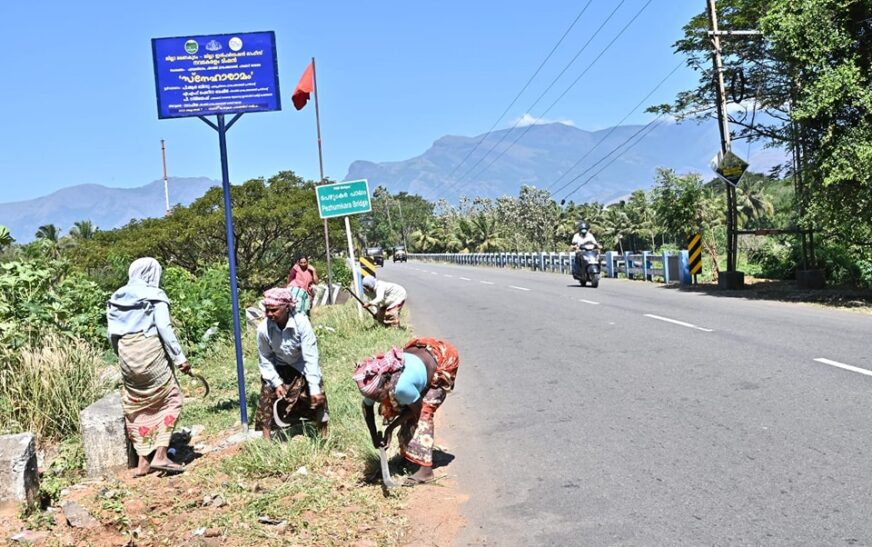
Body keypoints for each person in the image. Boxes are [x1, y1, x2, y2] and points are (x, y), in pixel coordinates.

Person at [106, 257, 189, 477]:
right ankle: (161, 455)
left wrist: (125, 359)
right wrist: (180, 358)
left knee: (137, 405)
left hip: (127, 355)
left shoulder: (116, 298)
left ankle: (143, 462)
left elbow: (112, 335)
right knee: (172, 399)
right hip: (150, 351)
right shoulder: (155, 295)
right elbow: (163, 327)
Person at [354, 338, 460, 486]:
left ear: (386, 384)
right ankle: (409, 456)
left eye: (378, 397)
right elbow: (367, 408)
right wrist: (374, 436)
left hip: (442, 360)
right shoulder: (376, 383)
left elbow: (417, 411)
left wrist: (390, 429)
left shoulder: (402, 387)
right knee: (401, 406)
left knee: (424, 414)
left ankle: (426, 471)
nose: (377, 401)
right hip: (420, 354)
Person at [255, 287, 328, 439]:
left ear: (287, 307)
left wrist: (314, 387)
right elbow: (265, 358)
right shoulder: (263, 329)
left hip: (301, 365)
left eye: (274, 310)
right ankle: (266, 440)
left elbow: (311, 356)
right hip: (279, 367)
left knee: (317, 394)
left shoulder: (301, 323)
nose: (269, 314)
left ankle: (324, 436)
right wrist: (276, 383)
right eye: (267, 310)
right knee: (267, 391)